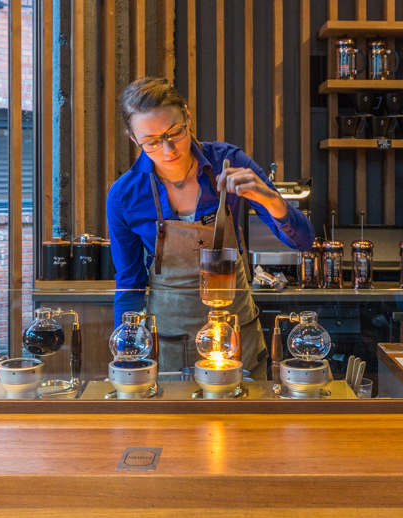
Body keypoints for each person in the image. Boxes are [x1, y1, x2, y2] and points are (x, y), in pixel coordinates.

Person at [106, 77, 315, 378]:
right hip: (169, 342)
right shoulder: (124, 195)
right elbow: (129, 282)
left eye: (174, 133)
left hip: (237, 340)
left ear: (187, 117)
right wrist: (125, 357)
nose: (167, 150)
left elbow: (304, 242)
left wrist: (271, 199)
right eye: (151, 142)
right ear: (133, 139)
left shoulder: (228, 162)